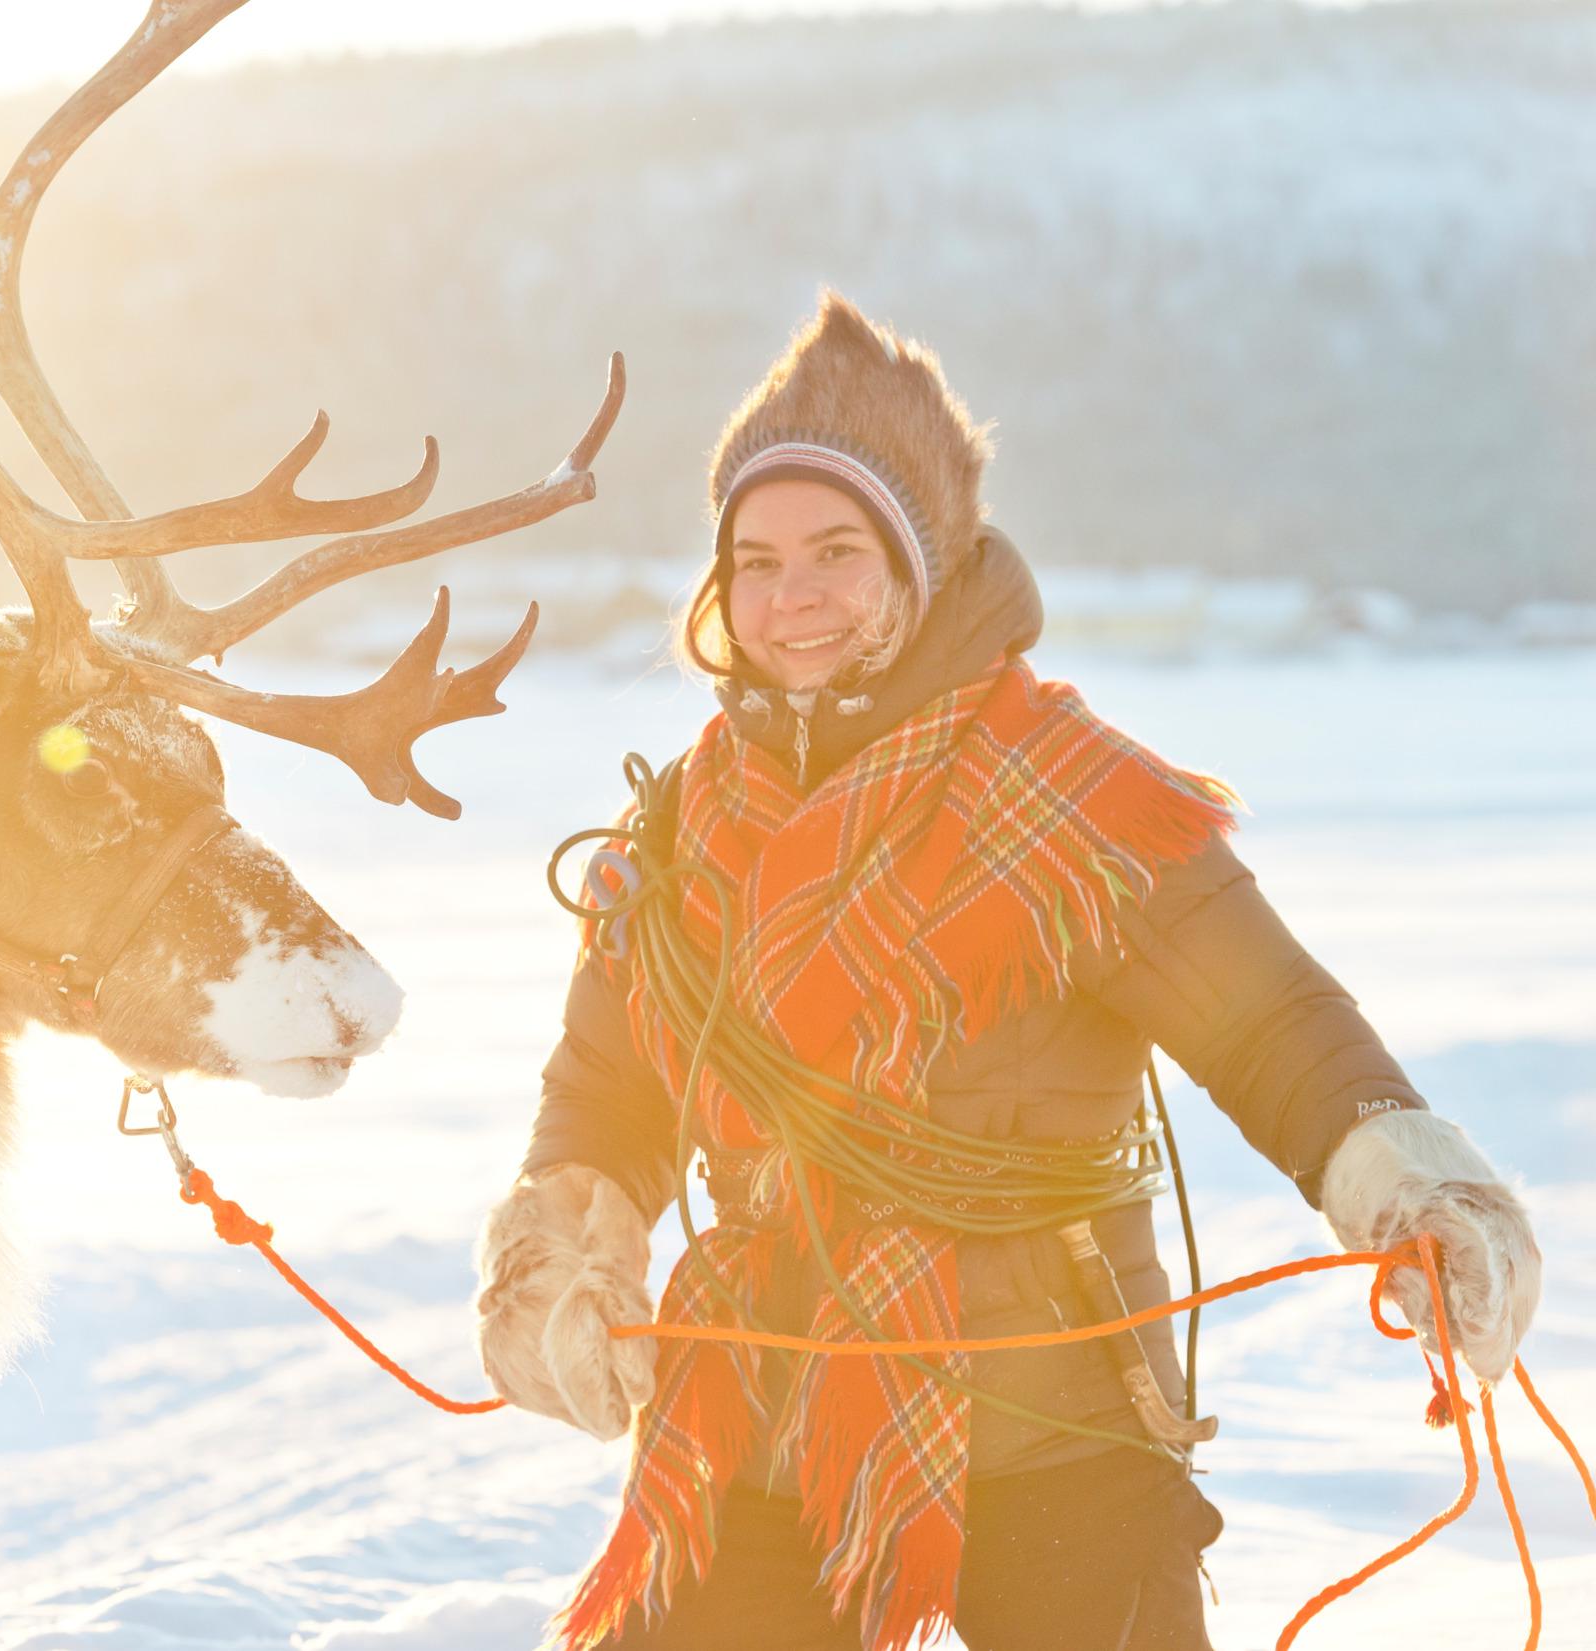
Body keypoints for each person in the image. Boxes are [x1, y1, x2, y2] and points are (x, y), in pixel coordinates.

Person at [474, 292, 1543, 1651]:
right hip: (760, 1412)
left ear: (921, 563)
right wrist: (567, 1245)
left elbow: (1271, 1025)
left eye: (837, 552)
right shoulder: (680, 827)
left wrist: (1409, 1184)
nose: (791, 596)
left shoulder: (1073, 803)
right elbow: (611, 1086)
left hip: (1060, 1433)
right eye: (756, 560)